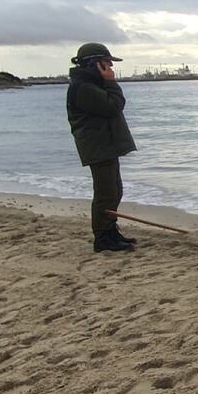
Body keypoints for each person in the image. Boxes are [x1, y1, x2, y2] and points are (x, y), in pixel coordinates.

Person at [66, 43, 136, 253]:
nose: (110, 67)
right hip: (97, 146)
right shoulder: (84, 87)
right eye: (106, 63)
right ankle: (103, 237)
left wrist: (107, 83)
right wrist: (111, 83)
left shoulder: (91, 85)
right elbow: (113, 106)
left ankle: (110, 231)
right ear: (93, 64)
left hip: (105, 145)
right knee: (106, 193)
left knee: (114, 190)